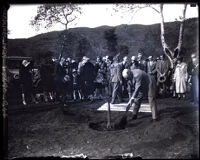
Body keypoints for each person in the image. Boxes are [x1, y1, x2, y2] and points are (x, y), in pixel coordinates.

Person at [119, 61, 158, 126]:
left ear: (129, 74)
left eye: (127, 78)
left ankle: (155, 117)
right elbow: (130, 88)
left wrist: (132, 97)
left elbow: (137, 88)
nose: (126, 80)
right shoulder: (129, 77)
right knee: (137, 99)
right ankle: (134, 114)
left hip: (149, 83)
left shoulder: (137, 74)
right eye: (126, 79)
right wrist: (130, 98)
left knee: (151, 99)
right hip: (141, 85)